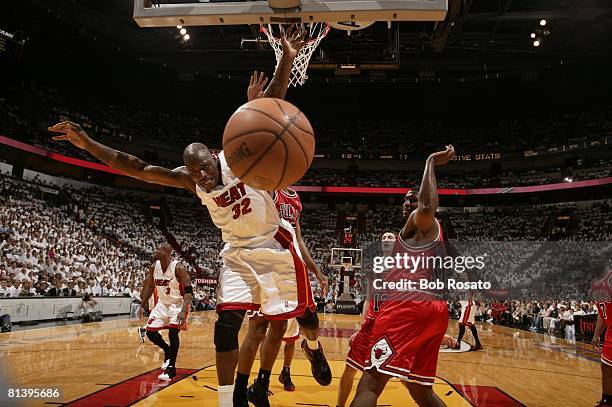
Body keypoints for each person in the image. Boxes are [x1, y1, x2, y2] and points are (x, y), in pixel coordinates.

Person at [48, 26, 326, 407]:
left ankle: (313, 347)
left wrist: (287, 57)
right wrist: (86, 143)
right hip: (237, 253)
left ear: (214, 157)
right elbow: (135, 166)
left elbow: (272, 103)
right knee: (226, 328)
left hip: (273, 245)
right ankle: (230, 400)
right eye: (194, 174)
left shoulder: (238, 157)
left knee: (304, 317)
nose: (202, 179)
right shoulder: (191, 181)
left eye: (204, 171)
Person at [351, 145, 455, 407]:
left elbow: (428, 204)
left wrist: (430, 161)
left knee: (370, 383)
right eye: (407, 199)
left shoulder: (423, 225)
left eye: (414, 197)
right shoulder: (416, 238)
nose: (410, 202)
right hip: (434, 309)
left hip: (408, 306)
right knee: (421, 390)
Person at [235, 186, 330, 402]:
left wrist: (315, 270)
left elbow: (298, 239)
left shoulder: (294, 198)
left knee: (306, 319)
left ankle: (312, 348)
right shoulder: (260, 189)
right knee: (258, 328)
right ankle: (247, 389)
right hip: (263, 265)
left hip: (290, 265)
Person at [337, 231, 396, 407]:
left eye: (390, 237)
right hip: (371, 324)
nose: (386, 239)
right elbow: (368, 299)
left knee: (385, 375)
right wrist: (360, 327)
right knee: (350, 369)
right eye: (384, 237)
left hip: (389, 328)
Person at [139, 244, 192, 381]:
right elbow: (150, 286)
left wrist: (184, 309)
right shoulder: (153, 267)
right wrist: (142, 305)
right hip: (162, 304)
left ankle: (171, 368)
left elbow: (188, 291)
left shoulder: (178, 268)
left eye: (159, 249)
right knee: (150, 332)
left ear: (167, 253)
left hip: (177, 304)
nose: (155, 251)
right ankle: (167, 350)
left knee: (173, 333)